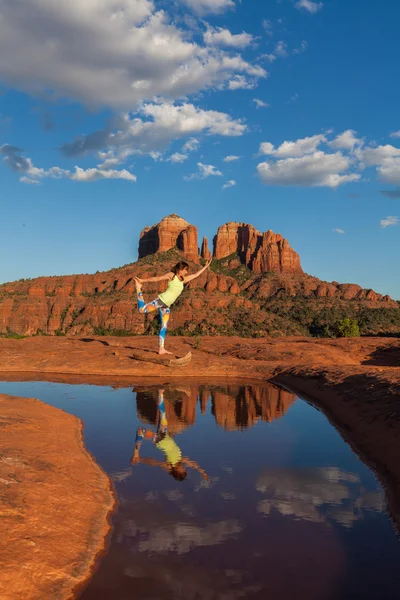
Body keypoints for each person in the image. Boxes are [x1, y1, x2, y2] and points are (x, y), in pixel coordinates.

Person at [133, 258, 212, 355]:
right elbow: (157, 278)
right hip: (161, 301)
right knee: (141, 310)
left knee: (164, 327)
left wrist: (205, 267)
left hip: (166, 306)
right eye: (185, 269)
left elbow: (196, 275)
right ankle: (138, 288)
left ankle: (161, 349)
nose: (186, 272)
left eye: (187, 270)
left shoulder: (183, 280)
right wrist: (142, 280)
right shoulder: (172, 275)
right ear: (180, 269)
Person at [131, 389, 209, 483]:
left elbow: (155, 463)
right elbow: (193, 464)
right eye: (184, 470)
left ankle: (136, 453)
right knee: (163, 414)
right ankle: (160, 393)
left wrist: (141, 460)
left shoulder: (169, 465)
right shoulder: (181, 459)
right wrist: (202, 472)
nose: (183, 469)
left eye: (182, 471)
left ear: (177, 472)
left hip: (159, 440)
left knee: (140, 431)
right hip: (165, 434)